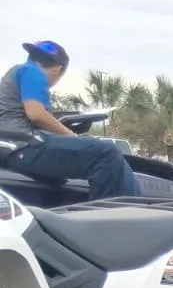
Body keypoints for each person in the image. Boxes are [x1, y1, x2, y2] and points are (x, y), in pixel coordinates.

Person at [0, 41, 139, 200]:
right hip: (23, 146)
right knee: (107, 153)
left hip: (12, 147)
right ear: (58, 70)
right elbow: (36, 114)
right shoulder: (33, 71)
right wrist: (71, 135)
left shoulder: (15, 73)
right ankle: (119, 215)